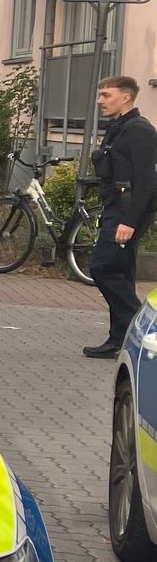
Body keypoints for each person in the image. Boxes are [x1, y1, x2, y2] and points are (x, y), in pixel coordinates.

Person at [84, 75, 157, 358]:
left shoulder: (139, 130)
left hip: (127, 212)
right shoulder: (118, 128)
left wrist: (129, 220)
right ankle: (119, 340)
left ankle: (143, 327)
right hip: (116, 208)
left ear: (125, 97)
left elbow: (146, 182)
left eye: (106, 95)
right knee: (122, 274)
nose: (100, 101)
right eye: (100, 94)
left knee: (104, 268)